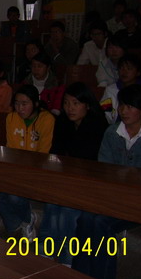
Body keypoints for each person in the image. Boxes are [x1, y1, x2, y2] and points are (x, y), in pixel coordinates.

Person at [72, 84, 141, 279]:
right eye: (122, 105)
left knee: (101, 223)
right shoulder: (111, 132)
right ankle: (80, 277)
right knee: (85, 218)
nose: (124, 111)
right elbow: (104, 169)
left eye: (130, 107)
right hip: (113, 196)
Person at [38, 82, 108, 265]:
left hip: (90, 181)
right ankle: (46, 250)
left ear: (87, 104)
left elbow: (90, 159)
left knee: (67, 210)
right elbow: (55, 152)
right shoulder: (62, 121)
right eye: (66, 103)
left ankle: (66, 259)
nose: (70, 108)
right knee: (52, 203)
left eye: (76, 103)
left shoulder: (98, 125)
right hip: (66, 178)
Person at [0, 84, 55, 239]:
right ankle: (19, 223)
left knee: (14, 196)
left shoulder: (46, 119)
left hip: (38, 170)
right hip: (15, 168)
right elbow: (11, 148)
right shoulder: (11, 118)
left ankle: (25, 220)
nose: (20, 108)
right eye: (16, 103)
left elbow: (43, 153)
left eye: (24, 104)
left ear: (35, 103)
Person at [100, 54, 141, 124]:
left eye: (129, 68)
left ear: (138, 72)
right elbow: (104, 113)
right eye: (121, 68)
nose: (124, 72)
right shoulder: (111, 89)